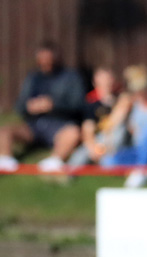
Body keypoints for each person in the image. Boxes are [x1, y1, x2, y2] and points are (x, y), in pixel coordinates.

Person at [0, 41, 85, 172]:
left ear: (56, 59)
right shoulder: (33, 77)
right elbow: (19, 106)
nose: (45, 63)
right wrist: (30, 106)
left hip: (60, 125)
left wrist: (53, 105)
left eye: (48, 60)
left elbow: (78, 105)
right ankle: (6, 160)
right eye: (42, 60)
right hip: (34, 125)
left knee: (73, 133)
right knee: (4, 131)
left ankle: (54, 160)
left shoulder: (71, 77)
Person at [68, 67, 128, 168]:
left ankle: (108, 163)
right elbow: (88, 129)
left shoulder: (122, 99)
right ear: (95, 83)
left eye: (108, 79)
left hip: (115, 138)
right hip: (100, 139)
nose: (106, 82)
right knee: (81, 154)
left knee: (120, 130)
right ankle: (66, 173)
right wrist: (93, 148)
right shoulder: (91, 104)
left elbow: (118, 119)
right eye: (103, 79)